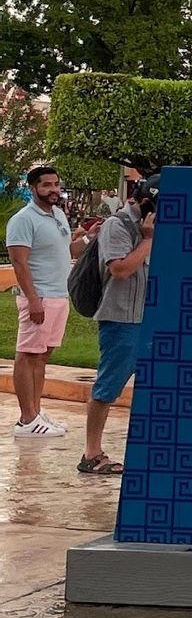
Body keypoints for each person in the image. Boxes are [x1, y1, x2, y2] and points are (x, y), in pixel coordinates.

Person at [78, 178, 157, 476]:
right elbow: (121, 269)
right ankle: (91, 452)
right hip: (121, 318)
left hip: (149, 318)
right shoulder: (117, 225)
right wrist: (148, 239)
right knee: (108, 386)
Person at [7, 163, 85, 439]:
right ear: (33, 188)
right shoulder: (23, 220)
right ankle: (26, 418)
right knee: (27, 355)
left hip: (58, 295)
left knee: (42, 356)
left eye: (56, 184)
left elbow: (66, 251)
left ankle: (36, 413)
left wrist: (85, 240)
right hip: (38, 297)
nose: (54, 190)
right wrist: (33, 300)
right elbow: (19, 262)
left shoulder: (58, 215)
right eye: (47, 185)